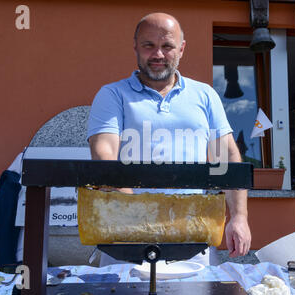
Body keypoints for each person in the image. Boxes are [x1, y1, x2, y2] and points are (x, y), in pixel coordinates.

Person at [87, 12, 251, 266]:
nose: (158, 55)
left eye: (167, 46)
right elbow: (104, 155)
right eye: (148, 45)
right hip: (126, 239)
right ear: (135, 47)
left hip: (192, 238)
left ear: (182, 49)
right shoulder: (112, 95)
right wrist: (138, 217)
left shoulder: (205, 95)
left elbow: (225, 158)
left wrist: (238, 217)